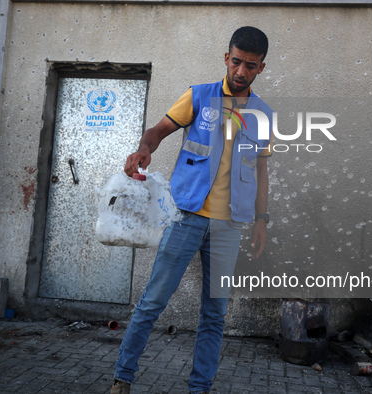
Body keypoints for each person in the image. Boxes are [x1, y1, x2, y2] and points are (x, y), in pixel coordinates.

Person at [111, 26, 273, 394]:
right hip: (185, 217)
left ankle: (200, 388)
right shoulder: (198, 98)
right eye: (236, 62)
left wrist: (261, 220)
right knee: (153, 302)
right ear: (226, 58)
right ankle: (122, 379)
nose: (240, 71)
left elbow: (261, 170)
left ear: (261, 68)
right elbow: (158, 130)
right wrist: (143, 149)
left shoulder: (263, 115)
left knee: (215, 315)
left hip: (229, 227)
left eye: (250, 65)